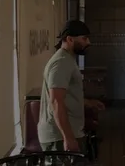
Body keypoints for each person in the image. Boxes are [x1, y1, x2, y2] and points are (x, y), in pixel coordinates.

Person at [38, 20, 105, 152]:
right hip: (59, 137)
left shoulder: (67, 59)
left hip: (66, 135)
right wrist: (68, 138)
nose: (88, 42)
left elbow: (66, 96)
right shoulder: (61, 62)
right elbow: (56, 101)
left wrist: (87, 102)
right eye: (84, 38)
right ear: (69, 39)